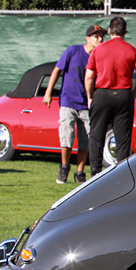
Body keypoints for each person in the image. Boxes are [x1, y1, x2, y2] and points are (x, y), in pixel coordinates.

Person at [85, 16, 136, 175]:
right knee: (123, 140)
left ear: (109, 31)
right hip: (123, 95)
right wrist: (134, 92)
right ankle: (120, 176)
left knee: (96, 137)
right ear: (125, 32)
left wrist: (90, 96)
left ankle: (95, 174)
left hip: (102, 94)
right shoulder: (132, 50)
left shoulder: (98, 49)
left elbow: (88, 77)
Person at [43, 24, 106, 183]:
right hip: (68, 101)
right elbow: (57, 70)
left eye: (101, 36)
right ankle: (64, 168)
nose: (99, 39)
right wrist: (49, 92)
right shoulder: (73, 51)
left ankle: (80, 172)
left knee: (86, 139)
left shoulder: (100, 57)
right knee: (67, 137)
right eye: (96, 36)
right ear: (88, 38)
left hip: (87, 104)